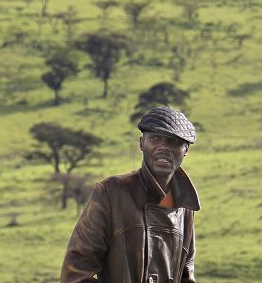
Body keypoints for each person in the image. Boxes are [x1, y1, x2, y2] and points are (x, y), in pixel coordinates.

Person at [60, 106, 201, 283]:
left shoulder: (185, 207)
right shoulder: (111, 193)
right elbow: (75, 273)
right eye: (155, 138)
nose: (163, 147)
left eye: (173, 141)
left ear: (186, 150)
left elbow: (186, 275)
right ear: (142, 143)